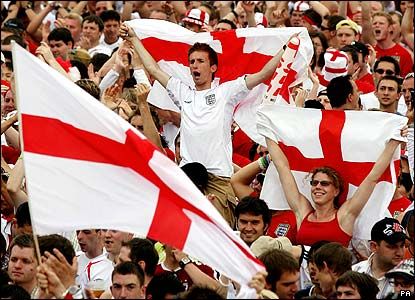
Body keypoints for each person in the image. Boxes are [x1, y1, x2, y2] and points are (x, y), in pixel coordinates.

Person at [119, 22, 288, 228]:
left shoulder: (227, 92)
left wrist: (288, 48)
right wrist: (135, 38)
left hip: (218, 180)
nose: (194, 66)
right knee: (183, 233)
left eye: (200, 61)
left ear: (213, 67)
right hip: (186, 178)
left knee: (220, 235)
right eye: (191, 61)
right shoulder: (182, 92)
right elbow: (153, 68)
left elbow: (262, 74)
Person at [265, 121, 402, 247]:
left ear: (336, 191)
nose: (318, 187)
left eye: (324, 184)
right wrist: (268, 133)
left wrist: (394, 142)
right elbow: (282, 168)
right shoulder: (302, 211)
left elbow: (372, 178)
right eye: (315, 183)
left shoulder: (345, 214)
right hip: (305, 274)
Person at [353, 218, 408, 298]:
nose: (400, 253)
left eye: (402, 245)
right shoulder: (354, 271)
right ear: (374, 246)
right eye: (392, 247)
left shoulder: (410, 279)